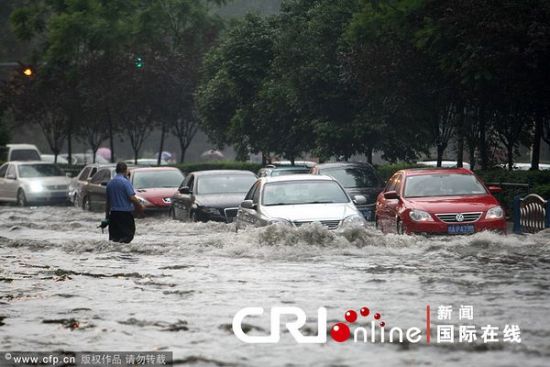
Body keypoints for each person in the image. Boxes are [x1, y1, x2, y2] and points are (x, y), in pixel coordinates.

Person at [105, 162, 144, 243]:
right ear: (125, 170)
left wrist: (107, 216)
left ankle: (115, 254)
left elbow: (108, 202)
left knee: (114, 238)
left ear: (116, 170)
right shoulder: (125, 182)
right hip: (125, 215)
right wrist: (140, 206)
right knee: (128, 236)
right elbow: (132, 197)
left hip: (113, 214)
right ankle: (124, 254)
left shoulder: (110, 183)